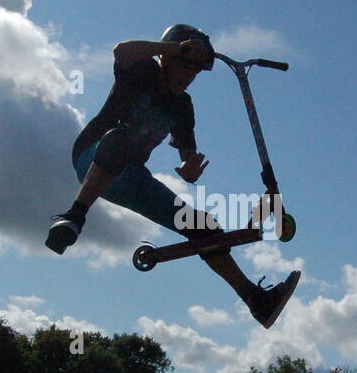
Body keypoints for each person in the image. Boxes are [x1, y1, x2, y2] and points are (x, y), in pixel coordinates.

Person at [46, 24, 300, 328]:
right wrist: (174, 48)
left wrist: (189, 170)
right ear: (167, 58)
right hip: (92, 156)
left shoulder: (182, 106)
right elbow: (121, 51)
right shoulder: (141, 70)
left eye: (194, 73)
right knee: (121, 138)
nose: (187, 77)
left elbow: (187, 160)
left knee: (204, 227)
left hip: (131, 177)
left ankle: (256, 301)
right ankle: (74, 217)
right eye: (184, 66)